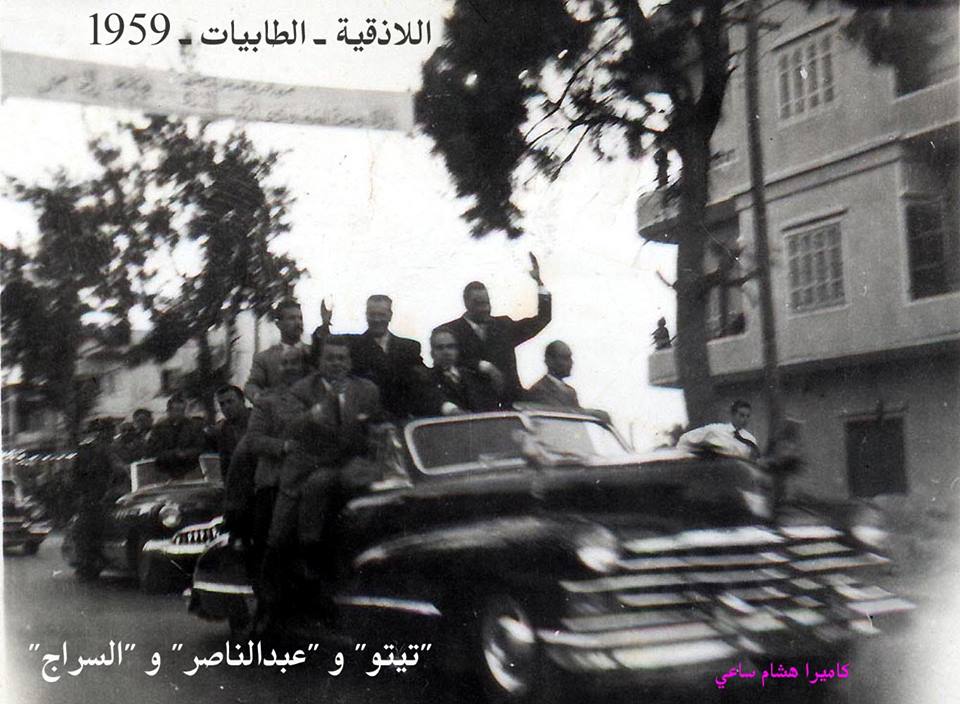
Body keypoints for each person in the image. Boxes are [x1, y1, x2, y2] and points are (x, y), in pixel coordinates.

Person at [257, 337, 382, 632]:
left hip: (349, 464)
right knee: (280, 534)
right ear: (319, 362)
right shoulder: (301, 390)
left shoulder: (366, 389)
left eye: (342, 358)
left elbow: (376, 424)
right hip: (307, 465)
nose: (336, 364)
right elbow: (289, 428)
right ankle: (269, 604)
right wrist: (314, 413)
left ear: (350, 362)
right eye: (330, 358)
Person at [435, 254, 551, 405]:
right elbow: (443, 363)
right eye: (478, 304)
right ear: (466, 303)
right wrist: (481, 365)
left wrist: (539, 282)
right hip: (474, 408)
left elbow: (542, 319)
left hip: (510, 404)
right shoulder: (449, 331)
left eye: (487, 303)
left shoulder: (503, 325)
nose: (484, 309)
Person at [311, 295, 425, 418]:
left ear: (390, 315)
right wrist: (325, 325)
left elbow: (421, 378)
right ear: (366, 315)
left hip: (400, 416)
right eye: (372, 314)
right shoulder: (352, 343)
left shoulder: (409, 347)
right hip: (363, 416)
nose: (376, 319)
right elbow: (324, 349)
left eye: (381, 314)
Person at [73, 418, 127, 581]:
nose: (108, 435)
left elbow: (124, 470)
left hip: (116, 494)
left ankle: (96, 562)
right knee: (86, 531)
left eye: (110, 431)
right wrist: (85, 494)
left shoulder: (118, 448)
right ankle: (86, 565)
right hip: (93, 496)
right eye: (104, 431)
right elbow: (77, 475)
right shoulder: (88, 451)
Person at [416, 329, 500, 416]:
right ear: (432, 353)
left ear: (457, 351)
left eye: (450, 347)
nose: (446, 352)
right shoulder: (426, 379)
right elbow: (437, 401)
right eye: (440, 348)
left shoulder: (473, 375)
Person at [524, 341, 611, 423]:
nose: (571, 363)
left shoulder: (570, 391)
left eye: (570, 358)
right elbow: (560, 413)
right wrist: (592, 413)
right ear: (550, 361)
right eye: (565, 358)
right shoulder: (539, 390)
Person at [244, 298, 308, 404]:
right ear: (279, 324)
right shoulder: (264, 358)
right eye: (291, 318)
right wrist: (260, 399)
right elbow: (252, 385)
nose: (298, 323)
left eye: (300, 318)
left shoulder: (312, 353)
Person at [677, 399, 759, 460]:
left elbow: (752, 463)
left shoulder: (750, 439)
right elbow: (684, 440)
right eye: (741, 415)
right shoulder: (715, 430)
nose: (745, 419)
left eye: (748, 416)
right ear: (732, 415)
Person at [148, 394, 206, 479]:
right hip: (165, 471)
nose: (179, 414)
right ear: (169, 411)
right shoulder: (159, 428)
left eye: (182, 410)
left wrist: (186, 453)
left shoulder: (193, 427)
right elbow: (153, 450)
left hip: (190, 470)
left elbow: (200, 447)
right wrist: (173, 454)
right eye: (176, 410)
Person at [209, 385, 251, 481]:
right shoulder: (223, 429)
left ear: (242, 401)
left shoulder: (258, 422)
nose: (226, 407)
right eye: (222, 404)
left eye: (230, 401)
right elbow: (225, 464)